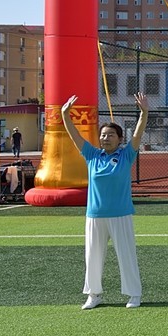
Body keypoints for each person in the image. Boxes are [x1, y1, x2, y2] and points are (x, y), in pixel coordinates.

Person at [62, 92, 148, 309]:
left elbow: (137, 134)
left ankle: (134, 294)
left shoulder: (126, 155)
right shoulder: (92, 155)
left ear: (119, 139)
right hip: (95, 215)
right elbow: (75, 136)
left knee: (126, 255)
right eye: (103, 135)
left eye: (110, 135)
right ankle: (94, 294)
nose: (105, 138)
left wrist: (144, 113)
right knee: (92, 257)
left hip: (120, 214)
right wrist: (65, 114)